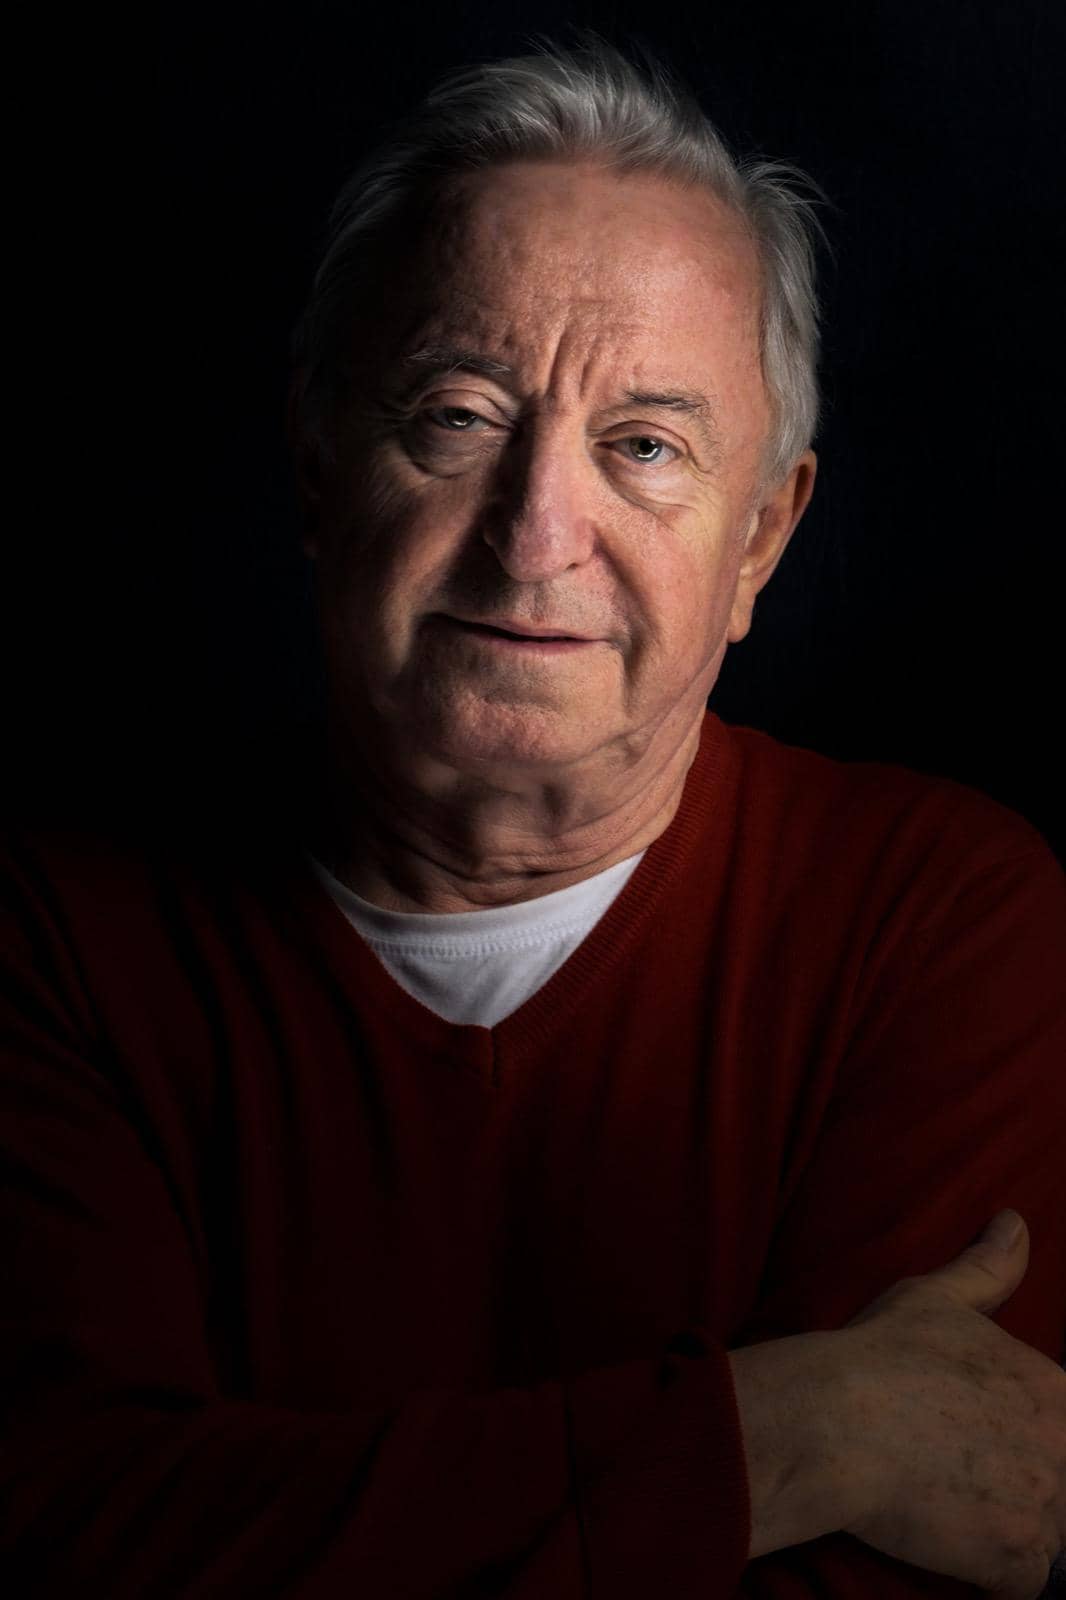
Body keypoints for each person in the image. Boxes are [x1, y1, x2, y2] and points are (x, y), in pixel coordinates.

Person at [3, 35, 1065, 1600]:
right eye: (458, 416)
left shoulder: (933, 915)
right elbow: (58, 1531)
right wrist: (772, 1446)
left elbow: (911, 1557)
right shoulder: (58, 939)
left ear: (758, 541)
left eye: (643, 447)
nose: (534, 533)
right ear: (316, 470)